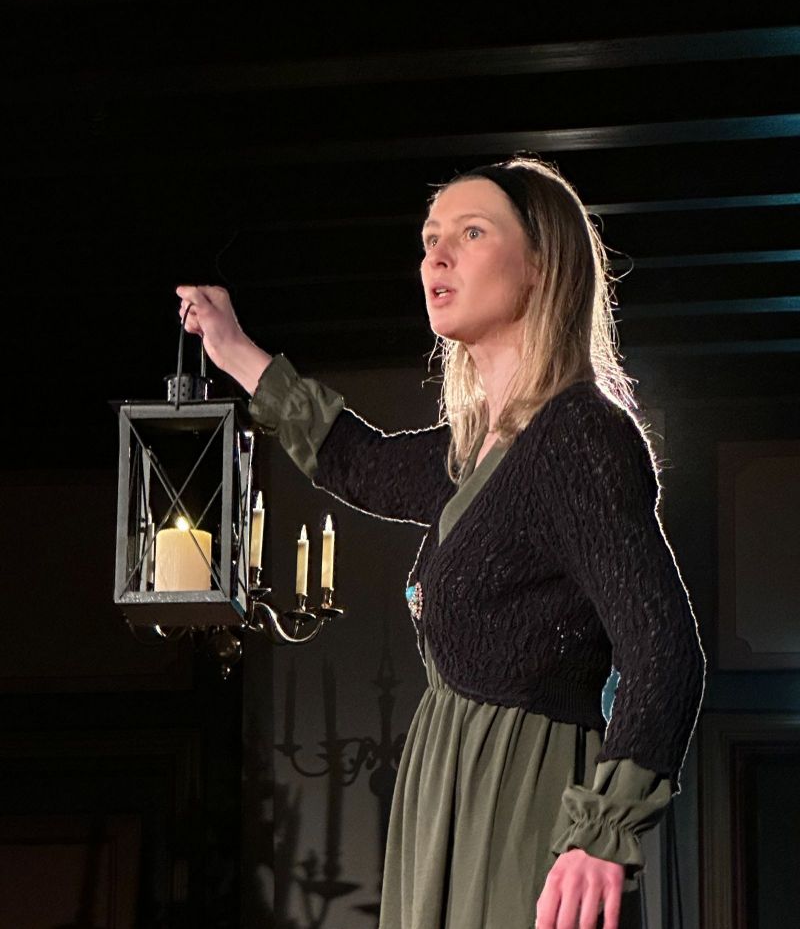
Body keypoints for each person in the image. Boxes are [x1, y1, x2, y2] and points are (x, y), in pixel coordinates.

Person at [177, 157, 705, 929]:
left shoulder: (579, 437)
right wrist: (232, 350)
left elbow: (664, 651)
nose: (436, 256)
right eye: (430, 239)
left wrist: (603, 832)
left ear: (540, 265)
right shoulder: (477, 452)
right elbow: (354, 460)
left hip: (516, 794)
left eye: (471, 232)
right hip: (448, 791)